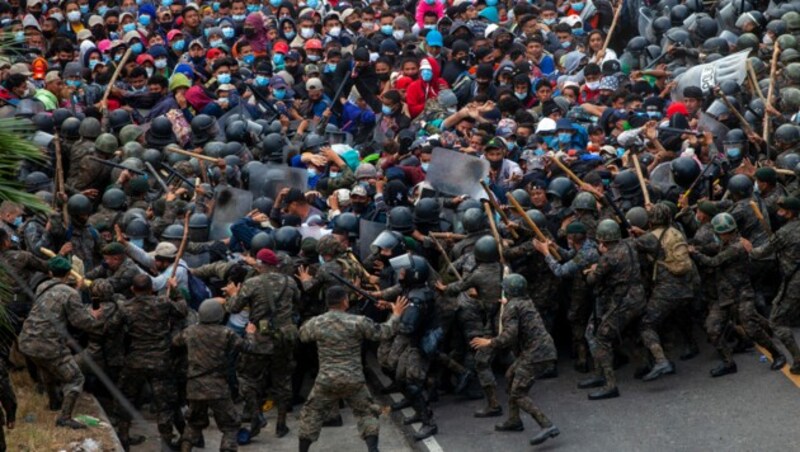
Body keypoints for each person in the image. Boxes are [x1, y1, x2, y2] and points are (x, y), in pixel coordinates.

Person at [297, 286, 408, 452]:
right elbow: (384, 332)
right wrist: (396, 314)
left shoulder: (317, 322)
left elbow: (302, 335)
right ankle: (373, 449)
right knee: (366, 413)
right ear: (345, 301)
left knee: (312, 413)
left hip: (326, 380)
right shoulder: (358, 322)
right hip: (353, 379)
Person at [471, 274, 560, 446]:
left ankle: (547, 425)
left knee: (518, 393)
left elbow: (509, 336)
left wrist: (490, 342)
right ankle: (514, 420)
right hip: (542, 350)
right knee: (511, 375)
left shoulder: (512, 308)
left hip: (536, 354)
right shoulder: (525, 301)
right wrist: (508, 304)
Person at [18, 256, 102, 429]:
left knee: (48, 370)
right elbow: (81, 322)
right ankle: (64, 418)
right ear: (68, 274)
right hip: (47, 344)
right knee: (76, 378)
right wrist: (95, 318)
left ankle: (54, 403)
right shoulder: (70, 293)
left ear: (50, 273)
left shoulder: (43, 286)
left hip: (26, 340)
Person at [173, 299, 257, 452]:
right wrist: (250, 334)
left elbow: (175, 343)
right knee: (230, 426)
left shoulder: (190, 331)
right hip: (218, 387)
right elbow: (249, 347)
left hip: (194, 387)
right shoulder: (226, 333)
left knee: (193, 423)